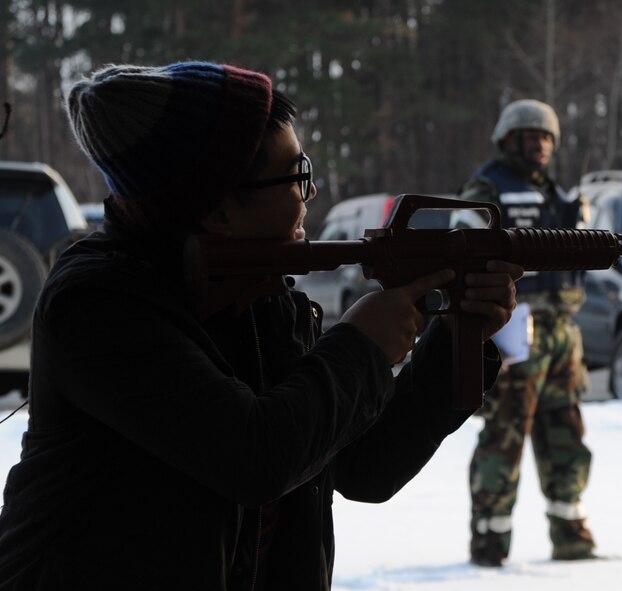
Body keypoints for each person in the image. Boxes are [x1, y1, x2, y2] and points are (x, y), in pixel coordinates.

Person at [0, 61, 522, 590]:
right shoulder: (97, 304)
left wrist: (456, 336)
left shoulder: (256, 291)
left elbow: (367, 465)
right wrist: (360, 346)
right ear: (217, 210)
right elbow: (253, 457)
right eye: (298, 175)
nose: (311, 193)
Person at [456, 98, 596, 566]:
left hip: (561, 330)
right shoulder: (486, 188)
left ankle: (571, 531)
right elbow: (463, 250)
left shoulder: (560, 195)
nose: (538, 144)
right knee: (506, 433)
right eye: (529, 136)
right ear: (508, 140)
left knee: (566, 431)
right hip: (515, 327)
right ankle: (490, 540)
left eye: (546, 137)